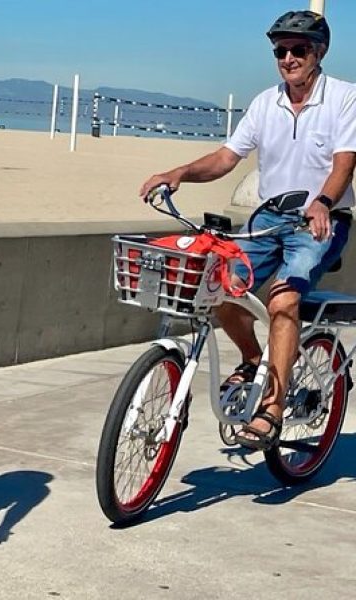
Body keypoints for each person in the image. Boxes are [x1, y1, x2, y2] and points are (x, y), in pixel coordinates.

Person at [139, 10, 356, 450]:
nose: (288, 58)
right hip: (269, 220)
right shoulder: (265, 103)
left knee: (284, 298)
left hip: (320, 222)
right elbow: (225, 158)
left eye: (299, 49)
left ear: (319, 52)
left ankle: (272, 409)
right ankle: (255, 359)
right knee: (219, 285)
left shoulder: (344, 98)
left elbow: (345, 162)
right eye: (281, 50)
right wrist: (179, 172)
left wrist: (324, 202)